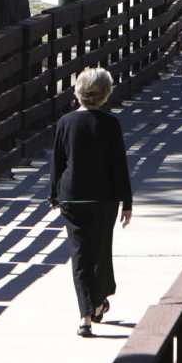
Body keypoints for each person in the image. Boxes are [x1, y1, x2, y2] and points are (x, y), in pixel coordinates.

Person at [50, 66, 133, 337]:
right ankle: (97, 302)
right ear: (106, 94)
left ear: (78, 92)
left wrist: (53, 194)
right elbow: (119, 166)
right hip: (105, 198)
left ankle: (87, 314)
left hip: (73, 197)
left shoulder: (66, 122)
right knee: (100, 249)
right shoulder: (111, 123)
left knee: (80, 256)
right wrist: (127, 201)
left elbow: (58, 163)